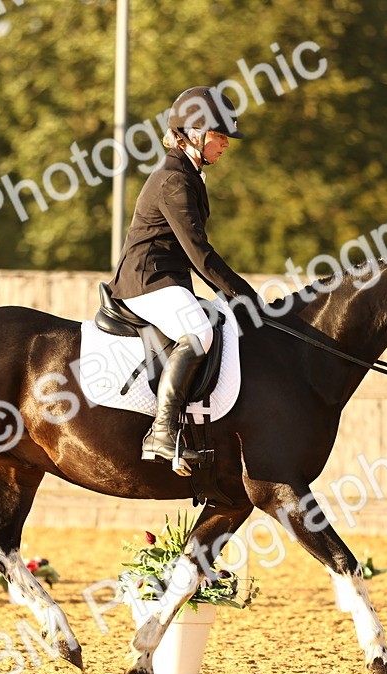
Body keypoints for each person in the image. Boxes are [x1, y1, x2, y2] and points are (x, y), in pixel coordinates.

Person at [106, 86, 262, 475]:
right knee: (200, 331)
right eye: (218, 135)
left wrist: (231, 295)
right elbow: (199, 253)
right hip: (146, 280)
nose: (225, 144)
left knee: (219, 322)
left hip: (166, 280)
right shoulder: (173, 179)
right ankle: (161, 430)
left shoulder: (188, 173)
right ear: (193, 133)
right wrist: (243, 292)